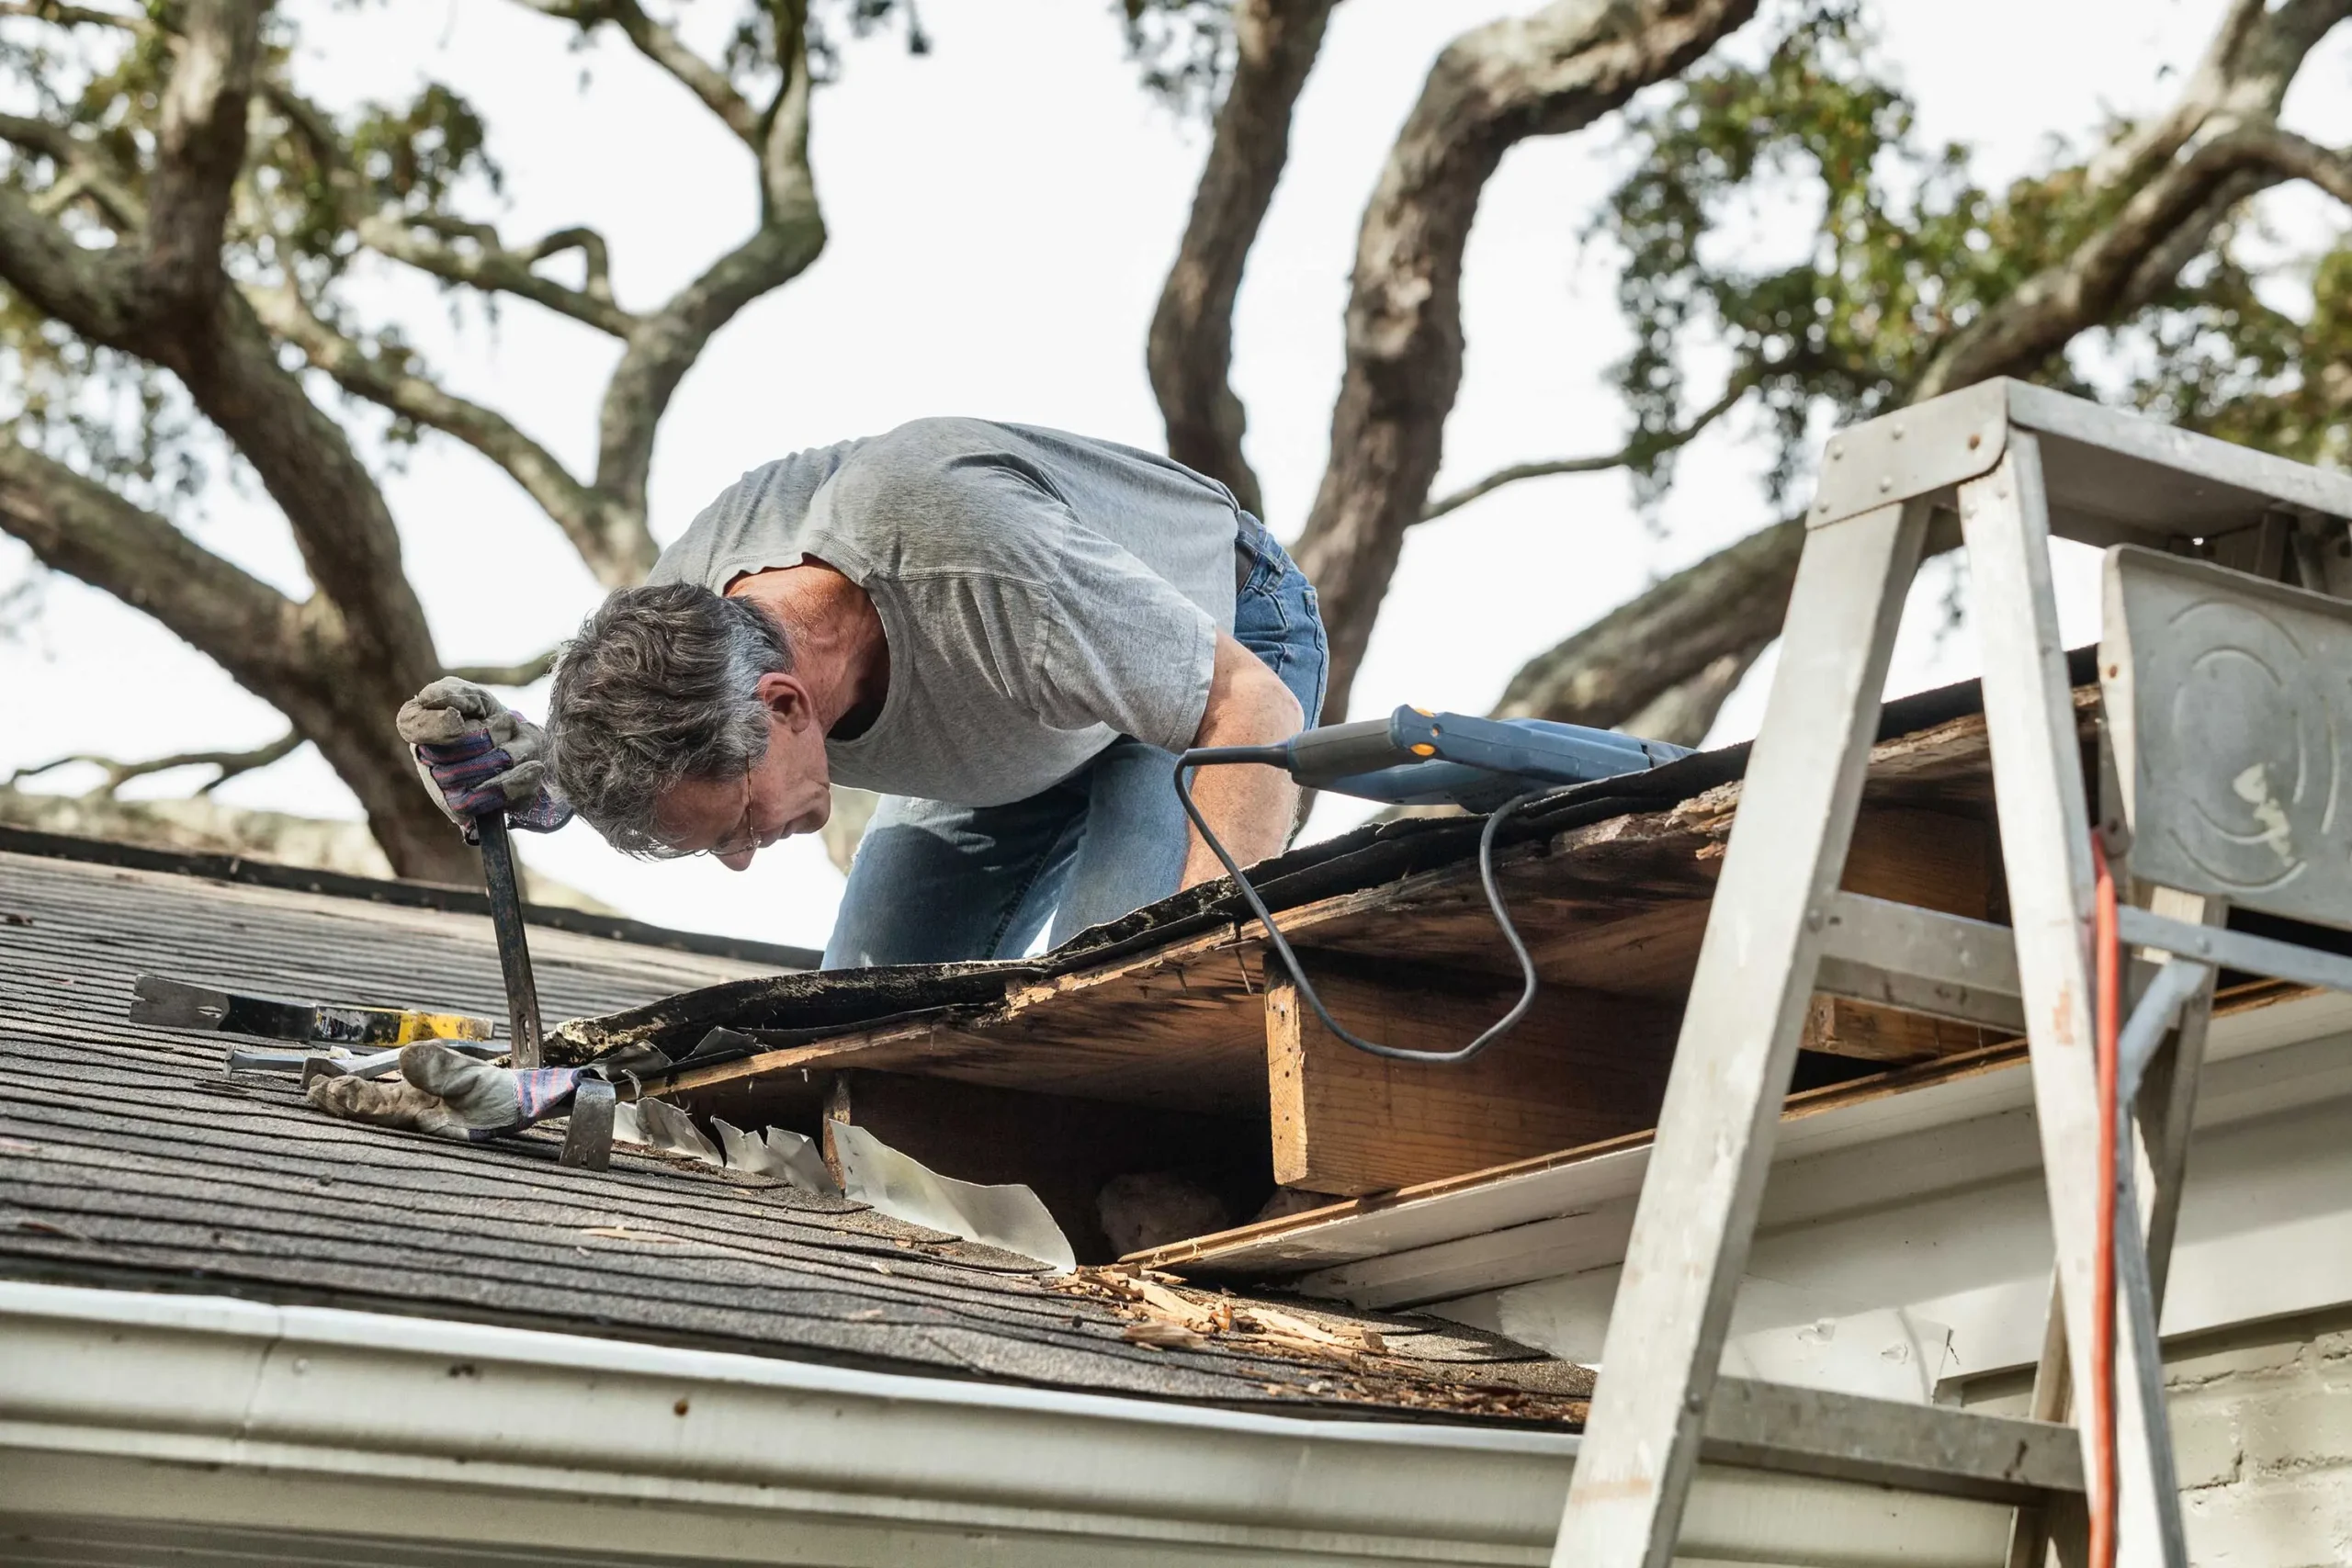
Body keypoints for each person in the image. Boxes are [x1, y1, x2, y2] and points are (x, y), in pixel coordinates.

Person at [398, 417, 1328, 968]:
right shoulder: (679, 633)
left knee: (1123, 981)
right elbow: (643, 765)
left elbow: (1247, 707)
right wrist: (537, 778)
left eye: (735, 825)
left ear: (786, 705)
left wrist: (1209, 976)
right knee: (851, 1024)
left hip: (1213, 644)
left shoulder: (970, 558)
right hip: (1017, 697)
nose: (742, 860)